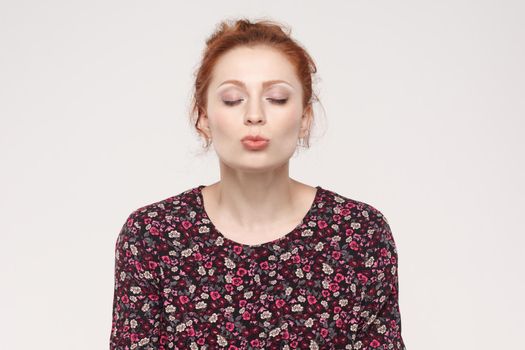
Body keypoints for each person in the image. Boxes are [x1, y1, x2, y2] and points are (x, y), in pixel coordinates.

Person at [109, 17, 406, 350]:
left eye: (276, 98)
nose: (254, 115)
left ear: (305, 118)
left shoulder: (359, 234)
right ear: (203, 117)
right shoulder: (152, 236)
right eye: (233, 99)